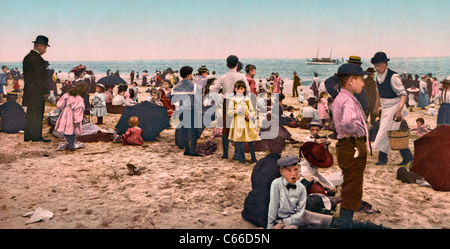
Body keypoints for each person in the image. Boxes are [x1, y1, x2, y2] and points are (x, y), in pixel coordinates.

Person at [332, 63, 371, 228]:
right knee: (352, 184)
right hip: (352, 144)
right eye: (361, 79)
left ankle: (345, 219)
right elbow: (348, 123)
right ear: (351, 80)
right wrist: (355, 132)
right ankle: (345, 222)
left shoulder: (341, 97)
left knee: (351, 182)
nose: (363, 83)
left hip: (349, 144)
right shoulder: (348, 100)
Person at [267, 156, 335, 229]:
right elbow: (272, 208)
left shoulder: (301, 186)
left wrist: (283, 223)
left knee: (331, 221)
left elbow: (300, 212)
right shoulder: (276, 184)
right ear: (281, 171)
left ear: (299, 169)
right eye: (288, 170)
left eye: (295, 169)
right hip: (286, 220)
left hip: (302, 216)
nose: (293, 174)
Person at [371, 52, 414, 166]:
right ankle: (407, 156)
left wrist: (399, 111)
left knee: (384, 132)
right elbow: (378, 93)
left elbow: (403, 94)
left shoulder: (393, 77)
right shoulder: (378, 77)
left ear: (385, 64)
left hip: (395, 106)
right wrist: (376, 107)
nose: (377, 68)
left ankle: (382, 158)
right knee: (393, 132)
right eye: (376, 66)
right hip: (385, 108)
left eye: (379, 65)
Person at [209, 55, 250, 159]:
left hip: (226, 101)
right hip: (238, 101)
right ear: (237, 64)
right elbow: (248, 92)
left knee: (226, 128)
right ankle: (237, 153)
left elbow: (213, 90)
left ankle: (225, 153)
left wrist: (220, 97)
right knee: (238, 127)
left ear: (227, 64)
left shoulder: (223, 77)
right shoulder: (241, 76)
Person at [241, 136, 286, 228]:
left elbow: (254, 182)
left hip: (250, 206)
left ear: (268, 147)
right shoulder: (281, 166)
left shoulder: (261, 162)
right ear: (283, 148)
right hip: (265, 212)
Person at [22, 35, 51, 142]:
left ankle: (28, 136)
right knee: (37, 114)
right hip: (37, 91)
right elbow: (41, 79)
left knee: (30, 114)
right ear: (39, 46)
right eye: (45, 47)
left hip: (29, 90)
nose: (45, 50)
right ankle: (36, 136)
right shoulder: (38, 60)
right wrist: (45, 91)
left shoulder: (27, 57)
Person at [171, 66, 202, 157]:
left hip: (181, 110)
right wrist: (199, 111)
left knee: (184, 129)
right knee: (194, 130)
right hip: (192, 110)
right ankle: (192, 149)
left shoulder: (177, 86)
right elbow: (198, 100)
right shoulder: (194, 86)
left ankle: (186, 149)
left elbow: (170, 95)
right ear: (189, 75)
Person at [228, 80, 258, 164]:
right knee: (239, 141)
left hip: (247, 122)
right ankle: (242, 158)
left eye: (241, 89)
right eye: (238, 89)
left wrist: (250, 116)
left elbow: (252, 110)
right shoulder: (232, 99)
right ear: (235, 89)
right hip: (237, 122)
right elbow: (229, 112)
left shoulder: (247, 99)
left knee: (250, 141)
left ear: (244, 90)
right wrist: (236, 111)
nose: (240, 91)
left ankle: (253, 157)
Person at [54, 82, 87, 151]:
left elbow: (59, 105)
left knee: (66, 130)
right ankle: (71, 144)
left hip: (65, 114)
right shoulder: (80, 99)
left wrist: (64, 108)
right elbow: (79, 111)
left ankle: (69, 143)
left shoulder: (67, 95)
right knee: (72, 131)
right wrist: (77, 121)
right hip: (73, 116)